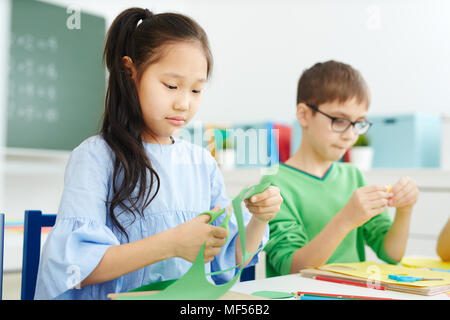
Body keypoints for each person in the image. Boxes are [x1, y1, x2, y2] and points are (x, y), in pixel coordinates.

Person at [35, 7, 282, 299]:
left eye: (196, 91)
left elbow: (232, 259)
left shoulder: (201, 162)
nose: (183, 103)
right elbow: (76, 269)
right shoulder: (96, 157)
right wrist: (171, 244)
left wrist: (259, 219)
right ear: (130, 73)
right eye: (171, 86)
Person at [262, 60, 419, 277]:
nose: (350, 134)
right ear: (304, 115)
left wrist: (405, 210)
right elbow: (293, 268)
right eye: (339, 120)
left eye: (358, 123)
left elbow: (391, 254)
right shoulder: (275, 185)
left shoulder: (353, 176)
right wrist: (345, 220)